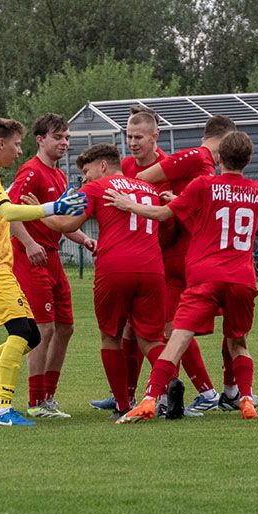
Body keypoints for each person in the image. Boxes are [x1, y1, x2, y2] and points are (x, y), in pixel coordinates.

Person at [107, 131, 258, 423]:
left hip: (206, 276)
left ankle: (149, 400)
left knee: (177, 339)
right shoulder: (257, 189)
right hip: (242, 277)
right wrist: (184, 200)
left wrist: (129, 205)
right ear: (249, 159)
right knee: (238, 342)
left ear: (219, 158)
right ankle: (245, 399)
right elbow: (220, 212)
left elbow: (164, 214)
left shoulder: (203, 185)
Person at [0, 117, 86, 426]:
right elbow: (8, 212)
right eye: (16, 144)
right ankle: (2, 410)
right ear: (0, 143)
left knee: (30, 334)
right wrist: (53, 208)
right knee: (24, 333)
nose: (18, 150)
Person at [42, 143, 167, 418]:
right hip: (152, 268)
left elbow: (67, 224)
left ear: (102, 165)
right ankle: (167, 388)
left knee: (110, 336)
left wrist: (40, 212)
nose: (84, 178)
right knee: (151, 338)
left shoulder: (98, 187)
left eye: (86, 171)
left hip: (116, 268)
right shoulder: (148, 189)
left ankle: (122, 405)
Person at [7, 113, 97, 419]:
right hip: (31, 258)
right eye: (58, 137)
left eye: (67, 138)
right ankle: (35, 402)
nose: (64, 143)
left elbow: (59, 221)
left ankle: (48, 395)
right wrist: (29, 244)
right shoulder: (31, 172)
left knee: (67, 327)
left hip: (52, 257)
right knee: (43, 329)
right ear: (41, 140)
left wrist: (85, 239)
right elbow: (11, 213)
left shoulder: (59, 176)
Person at [89, 106, 169, 410]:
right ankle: (145, 392)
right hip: (148, 262)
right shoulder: (128, 170)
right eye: (129, 136)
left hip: (151, 258)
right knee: (138, 334)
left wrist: (42, 213)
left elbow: (172, 213)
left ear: (154, 137)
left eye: (138, 137)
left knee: (166, 330)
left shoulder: (166, 167)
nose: (133, 142)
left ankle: (202, 392)